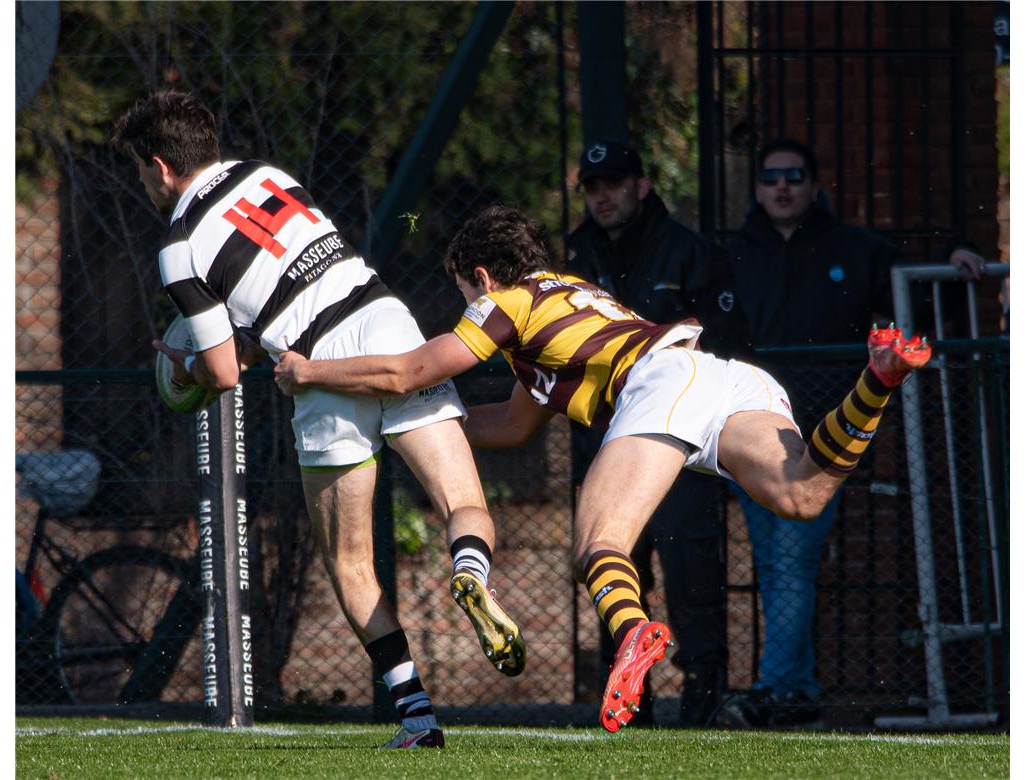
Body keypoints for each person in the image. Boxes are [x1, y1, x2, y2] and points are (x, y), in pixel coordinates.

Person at [273, 205, 931, 733]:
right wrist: (405, 432)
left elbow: (409, 369)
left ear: (478, 275)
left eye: (461, 290)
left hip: (662, 382)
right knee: (803, 493)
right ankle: (877, 380)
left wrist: (311, 372)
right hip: (721, 377)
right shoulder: (566, 302)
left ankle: (632, 631)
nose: (464, 304)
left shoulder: (507, 302)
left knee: (598, 543)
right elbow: (505, 424)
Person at [112, 90, 525, 750]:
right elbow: (284, 289)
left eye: (140, 169)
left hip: (323, 375)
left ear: (159, 166)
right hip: (388, 328)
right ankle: (470, 575)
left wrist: (181, 369)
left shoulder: (180, 247)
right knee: (464, 502)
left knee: (351, 565)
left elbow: (223, 371)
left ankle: (417, 717)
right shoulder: (270, 177)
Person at [700, 137, 985, 728]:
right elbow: (715, 336)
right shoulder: (733, 254)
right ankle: (793, 689)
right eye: (772, 177)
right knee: (778, 564)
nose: (782, 187)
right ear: (756, 188)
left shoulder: (853, 248)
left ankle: (776, 688)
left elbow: (911, 283)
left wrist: (957, 253)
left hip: (828, 438)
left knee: (791, 561)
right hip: (754, 434)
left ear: (813, 185)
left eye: (794, 177)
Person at [564, 140, 728, 726]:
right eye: (591, 187)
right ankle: (628, 711)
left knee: (692, 580)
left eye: (612, 183)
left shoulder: (691, 253)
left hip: (680, 448)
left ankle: (704, 709)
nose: (601, 196)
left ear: (642, 185)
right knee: (610, 566)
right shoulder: (572, 257)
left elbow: (729, 350)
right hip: (603, 442)